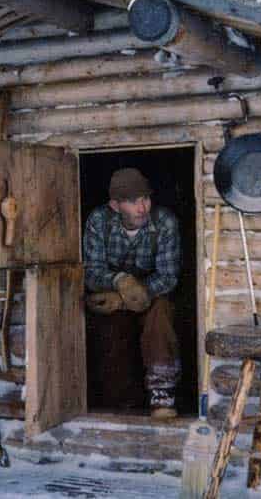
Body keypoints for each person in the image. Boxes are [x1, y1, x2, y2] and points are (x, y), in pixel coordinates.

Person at [83, 167, 181, 419]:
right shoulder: (98, 221)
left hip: (152, 291)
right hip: (113, 294)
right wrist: (120, 280)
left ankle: (163, 395)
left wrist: (130, 298)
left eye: (145, 198)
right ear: (115, 206)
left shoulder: (164, 221)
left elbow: (168, 276)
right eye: (133, 201)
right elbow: (92, 271)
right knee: (109, 328)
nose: (142, 207)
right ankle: (123, 401)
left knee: (160, 317)